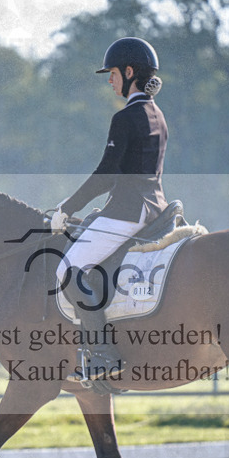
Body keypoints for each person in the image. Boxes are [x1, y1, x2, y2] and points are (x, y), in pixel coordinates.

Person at [51, 36, 169, 384]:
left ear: (130, 72)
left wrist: (66, 208)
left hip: (128, 211)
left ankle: (102, 355)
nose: (110, 79)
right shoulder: (158, 115)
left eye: (113, 72)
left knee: (68, 270)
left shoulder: (125, 117)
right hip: (154, 206)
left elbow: (106, 173)